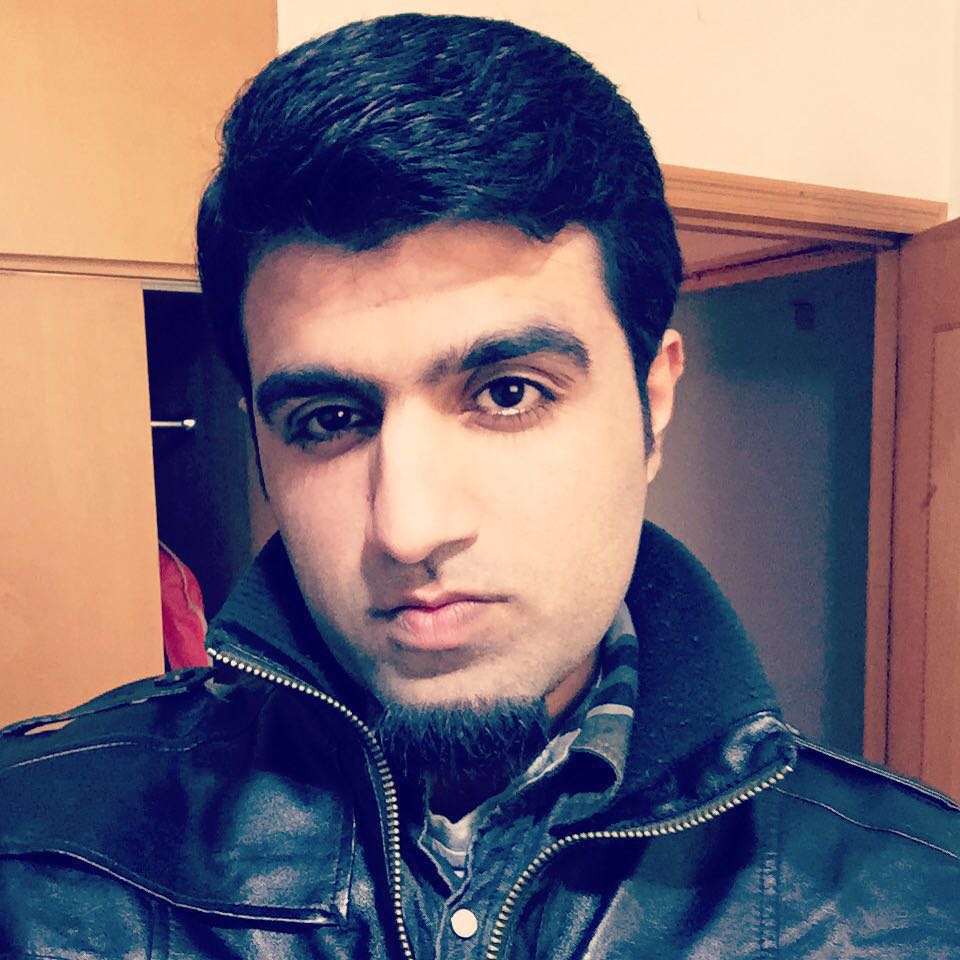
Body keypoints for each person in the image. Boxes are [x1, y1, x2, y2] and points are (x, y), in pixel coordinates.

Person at [1, 13, 957, 958]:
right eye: (328, 419)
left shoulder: (915, 907)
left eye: (508, 393)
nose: (409, 528)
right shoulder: (32, 855)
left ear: (653, 400)